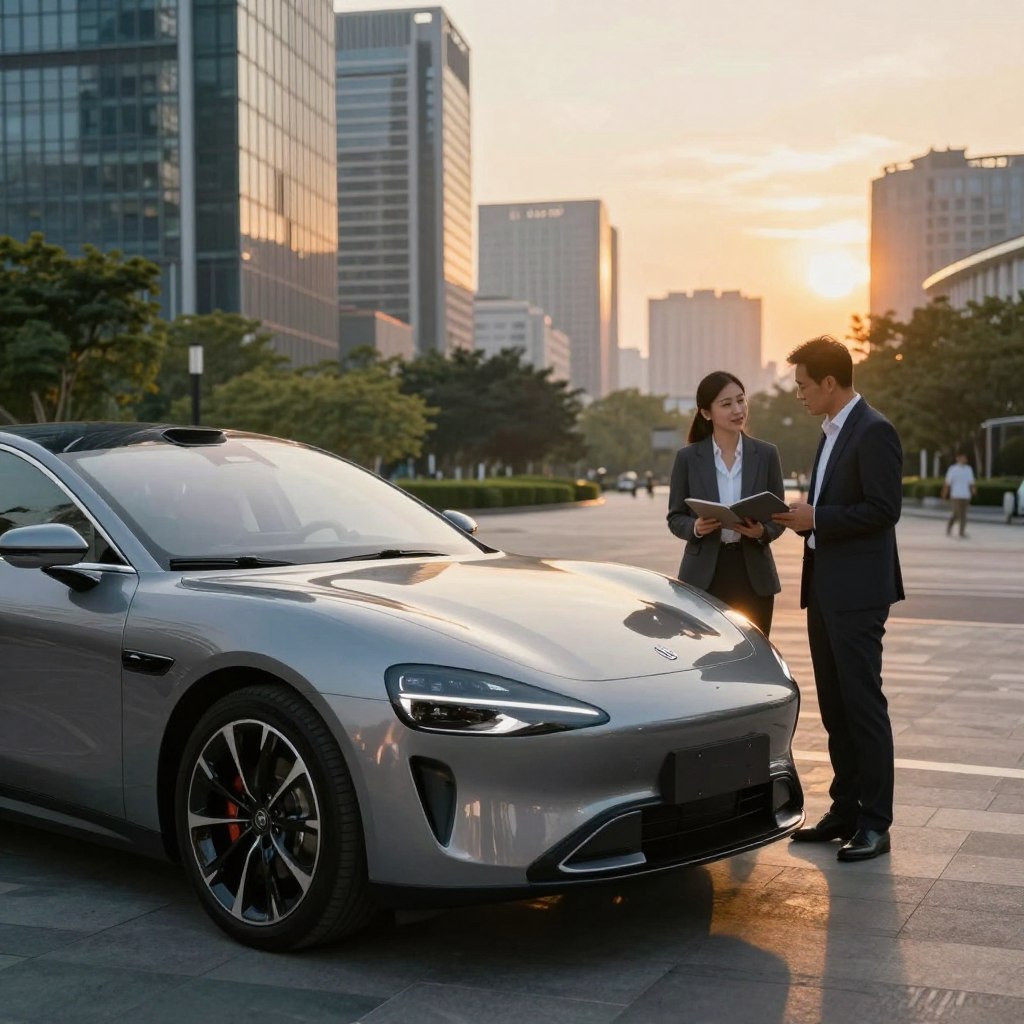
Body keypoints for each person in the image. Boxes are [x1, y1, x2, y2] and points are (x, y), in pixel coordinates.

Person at [772, 335, 904, 863]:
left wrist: (818, 518)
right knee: (833, 704)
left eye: (803, 385)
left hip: (858, 592)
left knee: (862, 705)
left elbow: (883, 509)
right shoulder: (829, 434)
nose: (799, 394)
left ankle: (876, 821)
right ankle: (845, 807)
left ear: (829, 383)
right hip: (824, 587)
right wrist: (805, 516)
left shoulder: (875, 431)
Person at [666, 371, 786, 636]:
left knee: (754, 657)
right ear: (707, 413)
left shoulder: (766, 454)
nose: (738, 410)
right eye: (726, 404)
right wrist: (696, 527)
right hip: (703, 575)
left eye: (741, 401)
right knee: (705, 660)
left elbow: (778, 515)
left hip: (753, 574)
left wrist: (762, 532)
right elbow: (675, 517)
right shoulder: (688, 458)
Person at [942, 451, 976, 538]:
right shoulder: (952, 469)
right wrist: (944, 494)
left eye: (965, 457)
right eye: (962, 457)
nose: (964, 459)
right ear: (957, 458)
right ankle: (950, 526)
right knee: (956, 513)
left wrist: (973, 490)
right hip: (955, 496)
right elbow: (947, 483)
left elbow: (971, 482)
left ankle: (962, 532)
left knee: (964, 515)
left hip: (966, 496)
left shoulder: (968, 469)